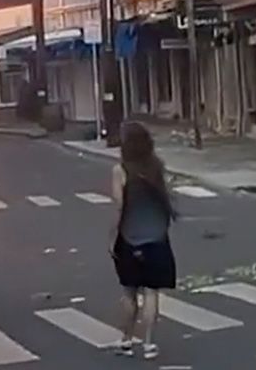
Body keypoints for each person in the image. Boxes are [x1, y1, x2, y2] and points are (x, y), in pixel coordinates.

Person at [108, 121, 178, 360]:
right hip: (157, 237)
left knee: (129, 293)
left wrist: (112, 236)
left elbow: (119, 206)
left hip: (129, 237)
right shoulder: (157, 166)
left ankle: (126, 340)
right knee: (151, 293)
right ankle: (149, 344)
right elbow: (165, 197)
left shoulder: (120, 170)